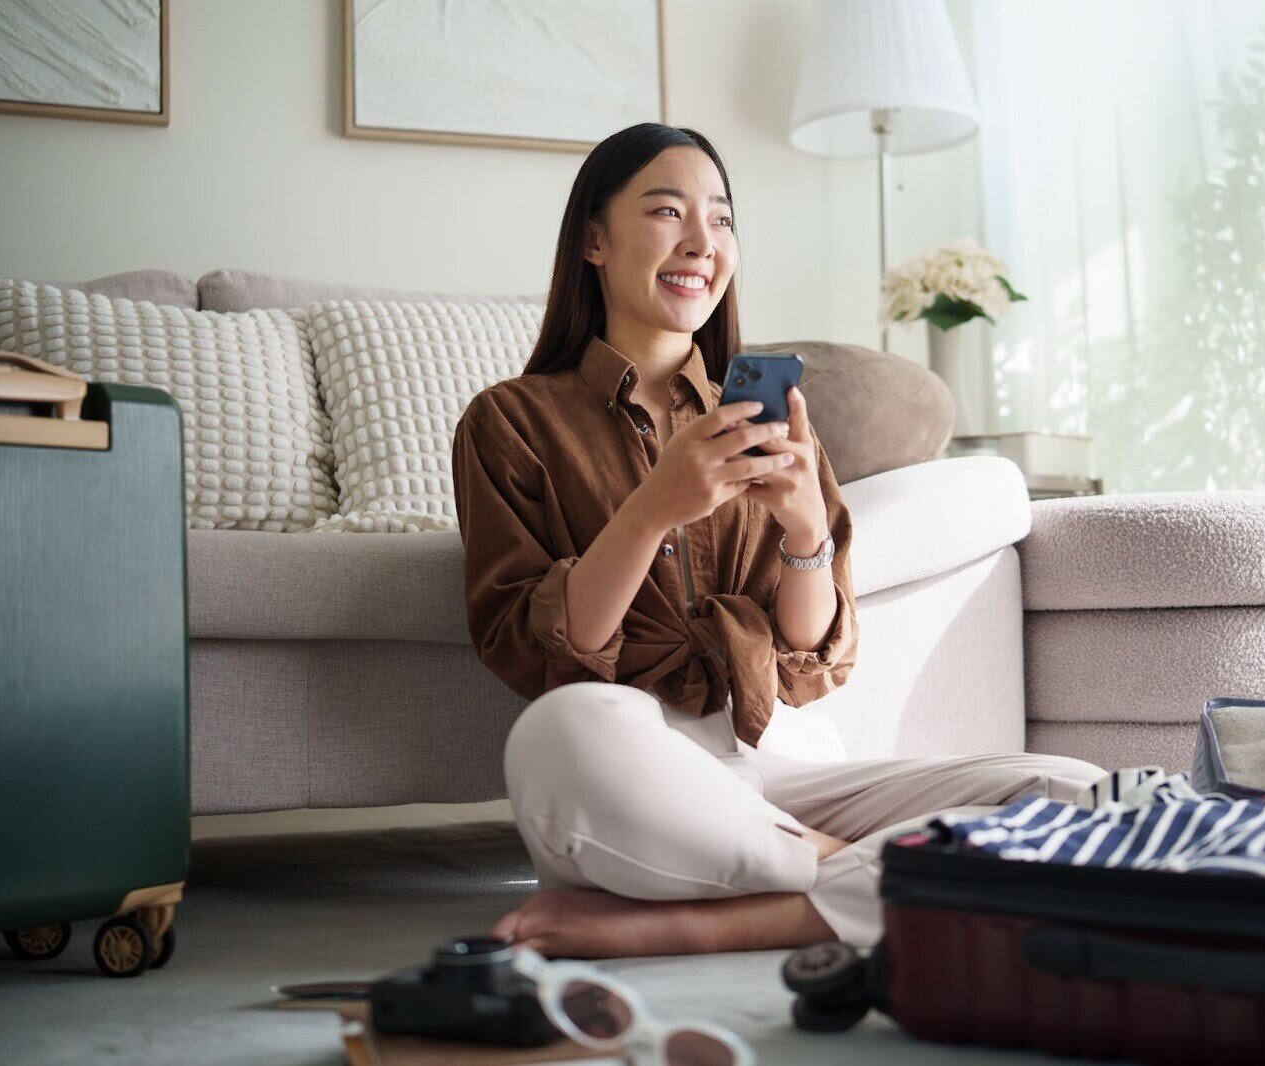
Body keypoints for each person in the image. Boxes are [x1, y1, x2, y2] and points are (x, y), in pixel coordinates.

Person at [450, 123, 1104, 960]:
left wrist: (803, 531)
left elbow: (809, 659)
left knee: (1081, 791)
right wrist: (653, 510)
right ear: (593, 239)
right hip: (640, 766)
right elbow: (543, 654)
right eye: (667, 212)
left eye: (722, 220)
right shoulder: (510, 421)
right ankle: (901, 881)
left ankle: (727, 915)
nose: (702, 242)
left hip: (783, 758)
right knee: (563, 729)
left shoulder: (767, 419)